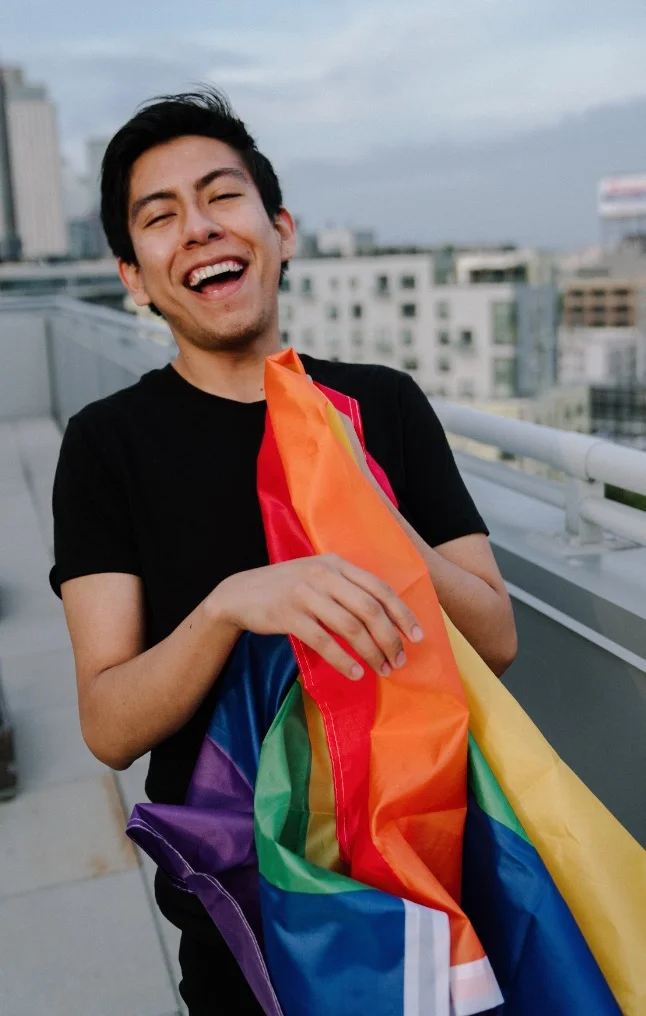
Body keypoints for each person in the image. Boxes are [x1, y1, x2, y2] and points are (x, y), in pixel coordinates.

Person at [50, 88, 517, 1015]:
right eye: (160, 216)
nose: (199, 227)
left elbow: (496, 638)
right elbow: (109, 724)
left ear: (281, 231)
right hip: (243, 915)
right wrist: (230, 605)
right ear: (134, 277)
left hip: (424, 887)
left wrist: (377, 519)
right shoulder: (107, 444)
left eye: (223, 195)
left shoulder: (382, 403)